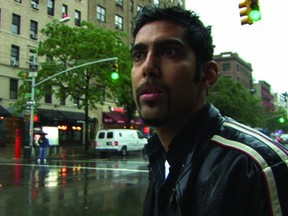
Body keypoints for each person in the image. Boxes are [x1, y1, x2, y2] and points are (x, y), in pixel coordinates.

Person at [131, 6, 288, 216]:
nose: (147, 67)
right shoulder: (158, 155)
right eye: (139, 54)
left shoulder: (258, 168)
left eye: (169, 51)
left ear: (207, 76)